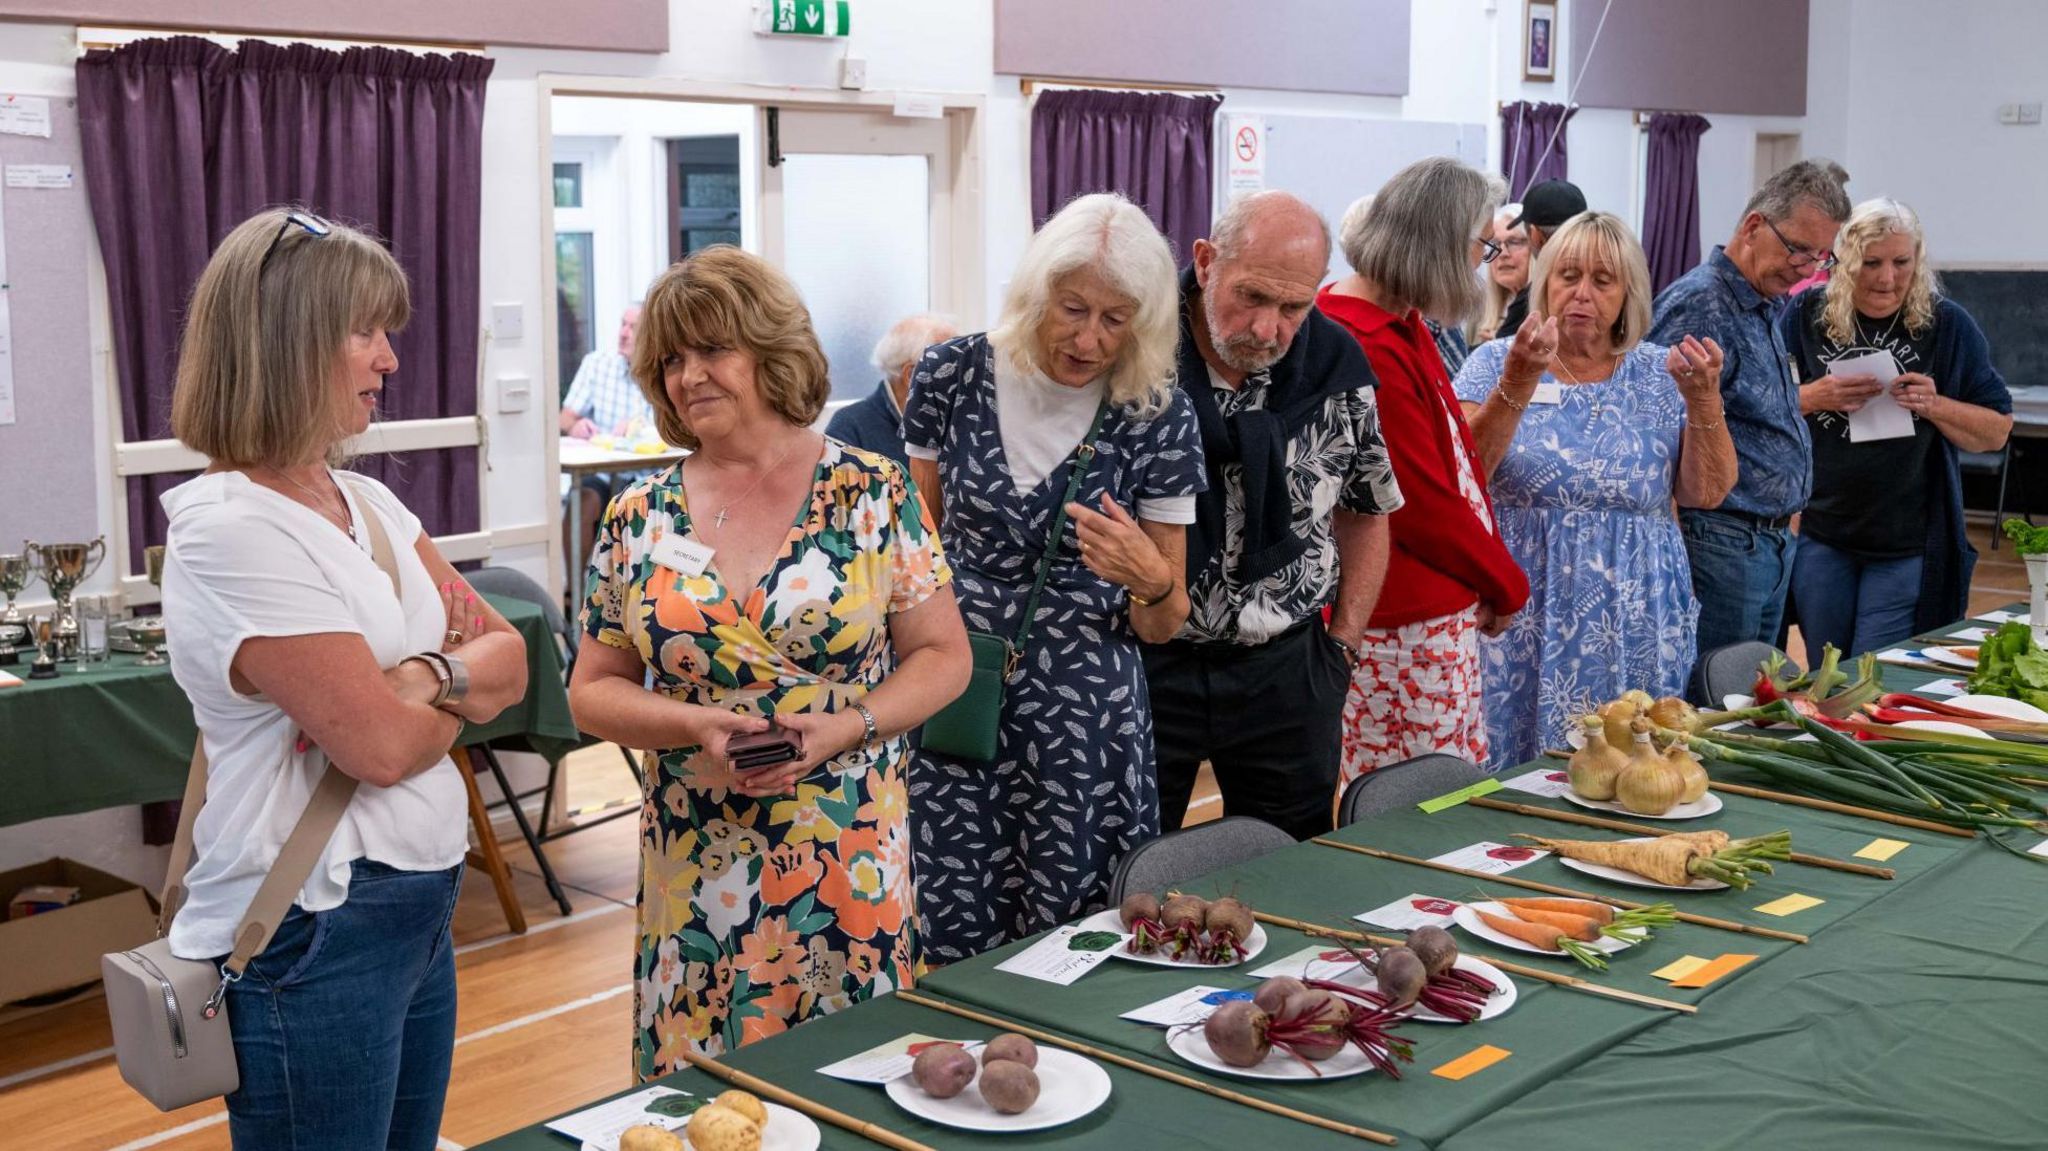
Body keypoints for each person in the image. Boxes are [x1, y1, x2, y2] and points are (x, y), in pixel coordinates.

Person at [158, 208, 530, 1149]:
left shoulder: (369, 498)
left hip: (417, 904)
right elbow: (378, 746)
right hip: (315, 921)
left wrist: (418, 677)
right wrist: (444, 685)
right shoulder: (229, 528)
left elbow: (514, 660)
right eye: (364, 332)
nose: (388, 359)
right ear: (289, 343)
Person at [569, 246, 971, 1070]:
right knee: (705, 1092)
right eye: (671, 359)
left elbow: (944, 657)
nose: (689, 376)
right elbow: (591, 692)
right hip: (696, 856)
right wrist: (697, 725)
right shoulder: (638, 514)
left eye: (713, 349)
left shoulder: (871, 491)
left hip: (844, 848)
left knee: (856, 1077)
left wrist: (848, 726)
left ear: (769, 349)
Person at [904, 193, 1204, 962]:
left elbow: (1164, 622)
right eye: (1072, 309)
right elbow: (914, 553)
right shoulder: (950, 374)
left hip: (1086, 719)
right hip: (958, 692)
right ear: (1035, 293)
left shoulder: (1155, 410)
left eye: (1116, 319)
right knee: (947, 911)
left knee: (1077, 935)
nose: (1089, 337)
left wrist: (1150, 578)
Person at [1146, 190, 1403, 840]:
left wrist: (1341, 646)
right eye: (1252, 297)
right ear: (1205, 263)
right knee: (1122, 874)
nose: (1267, 329)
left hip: (1288, 671)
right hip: (1149, 664)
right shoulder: (1137, 356)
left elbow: (1367, 511)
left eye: (1293, 307)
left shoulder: (1334, 364)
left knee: (1290, 873)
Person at [1458, 212, 1736, 767]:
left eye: (1602, 280)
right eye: (1568, 275)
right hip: (1519, 612)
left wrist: (1704, 400)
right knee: (1511, 765)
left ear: (1627, 292)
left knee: (1633, 768)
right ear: (1544, 282)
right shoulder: (1496, 361)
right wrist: (1517, 382)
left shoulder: (1663, 374)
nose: (1582, 293)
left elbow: (1707, 492)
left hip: (1635, 613)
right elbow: (1463, 474)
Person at [1318, 161, 1529, 779]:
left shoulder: (1399, 322)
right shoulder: (1363, 340)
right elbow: (1420, 502)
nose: (1481, 261)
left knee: (1451, 784)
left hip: (1430, 607)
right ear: (1439, 244)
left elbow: (1452, 456)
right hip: (1402, 615)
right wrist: (1504, 581)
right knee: (1416, 800)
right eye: (1481, 245)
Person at [1784, 198, 2012, 655]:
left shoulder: (1947, 326)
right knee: (1825, 676)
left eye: (1900, 262)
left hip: (1907, 544)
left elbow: (1996, 431)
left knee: (1874, 675)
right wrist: (1813, 396)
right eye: (1871, 263)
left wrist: (1935, 405)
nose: (1886, 278)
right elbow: (1759, 406)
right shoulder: (1807, 316)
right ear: (1845, 261)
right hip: (1822, 534)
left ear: (1917, 260)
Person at [1650, 159, 1851, 653]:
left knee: (1748, 701)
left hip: (1767, 543)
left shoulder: (1763, 303)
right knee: (1717, 706)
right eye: (1798, 249)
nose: (1806, 269)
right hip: (1722, 541)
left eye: (1820, 257)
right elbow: (1657, 425)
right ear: (1754, 226)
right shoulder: (1701, 304)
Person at [560, 304, 653, 558]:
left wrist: (642, 430)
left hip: (650, 473)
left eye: (634, 328)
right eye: (622, 324)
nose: (623, 333)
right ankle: (574, 594)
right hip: (602, 472)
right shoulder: (597, 364)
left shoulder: (666, 369)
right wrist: (575, 426)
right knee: (582, 500)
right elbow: (564, 418)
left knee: (653, 508)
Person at [825, 312, 958, 466]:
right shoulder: (849, 428)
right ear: (913, 376)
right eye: (951, 367)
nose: (962, 376)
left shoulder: (960, 418)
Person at [1497, 180, 1586, 336]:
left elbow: (1498, 356)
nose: (1503, 253)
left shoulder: (1533, 296)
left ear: (1535, 235)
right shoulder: (1613, 281)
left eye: (1515, 241)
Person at [1472, 205, 1531, 343]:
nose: (1503, 254)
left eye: (1514, 242)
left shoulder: (1547, 311)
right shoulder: (1477, 315)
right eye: (1495, 243)